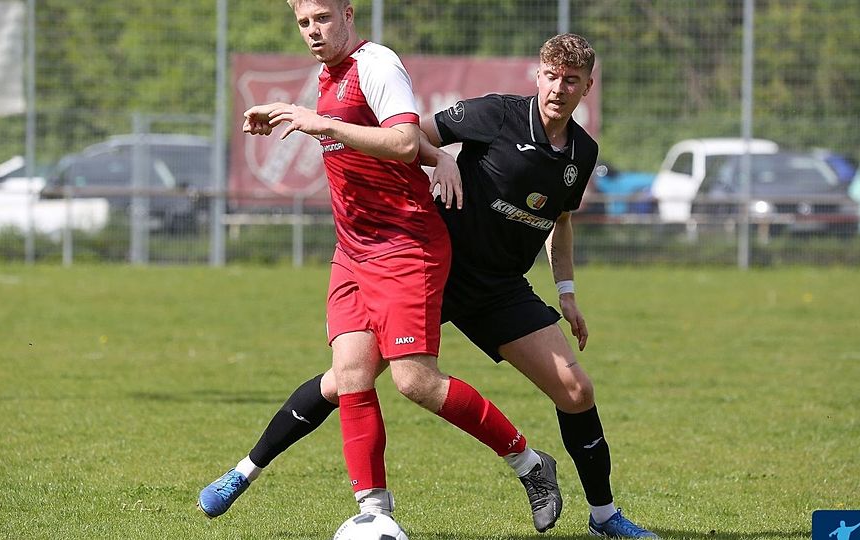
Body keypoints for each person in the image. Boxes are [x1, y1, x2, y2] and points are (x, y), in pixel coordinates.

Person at [199, 32, 657, 538]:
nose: (558, 88)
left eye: (571, 80)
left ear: (586, 87)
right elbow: (412, 136)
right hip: (428, 267)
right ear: (538, 76)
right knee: (344, 378)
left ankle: (604, 517)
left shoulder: (582, 153)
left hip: (498, 287)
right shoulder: (497, 114)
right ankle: (246, 470)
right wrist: (441, 160)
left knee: (576, 389)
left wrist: (567, 293)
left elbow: (561, 221)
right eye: (551, 76)